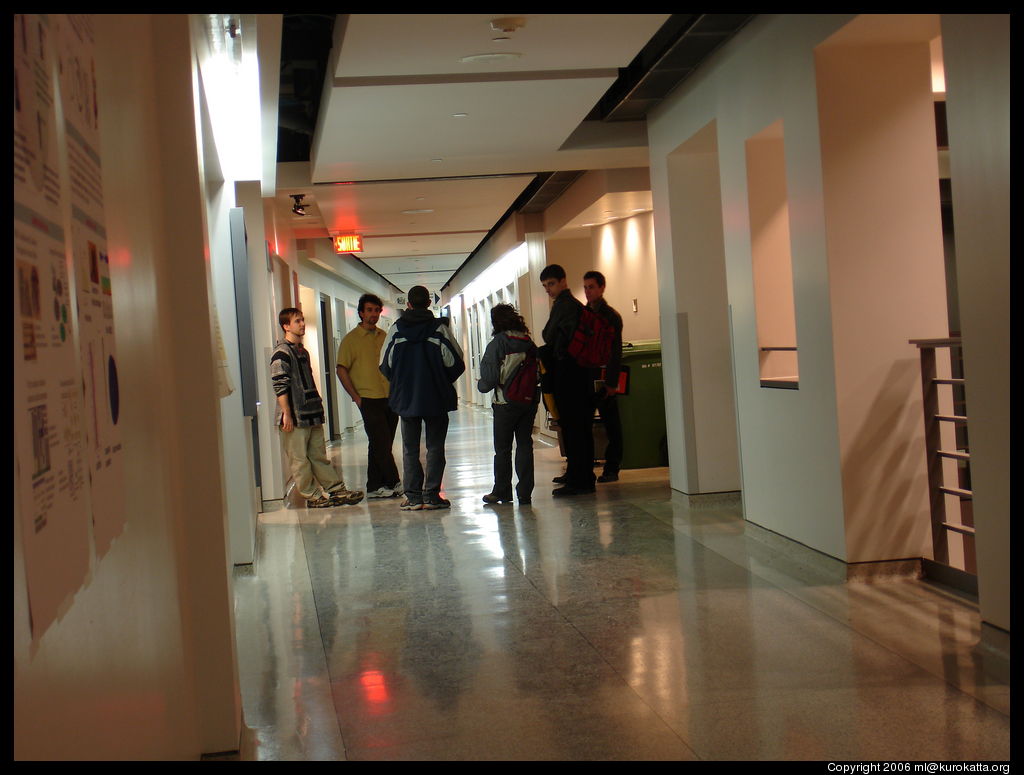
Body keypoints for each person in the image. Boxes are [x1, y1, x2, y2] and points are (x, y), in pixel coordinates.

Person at [379, 285, 465, 511]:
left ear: (407, 304)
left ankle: (414, 497)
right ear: (429, 303)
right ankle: (432, 495)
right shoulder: (439, 329)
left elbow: (384, 364)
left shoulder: (396, 330)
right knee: (435, 447)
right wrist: (440, 379)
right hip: (436, 397)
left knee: (409, 448)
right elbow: (456, 362)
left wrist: (400, 382)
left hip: (406, 398)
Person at [271, 307, 363, 508]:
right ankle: (312, 495)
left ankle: (336, 490)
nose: (302, 324)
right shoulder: (282, 353)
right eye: (297, 321)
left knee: (318, 456)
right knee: (300, 460)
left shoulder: (302, 351)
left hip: (311, 413)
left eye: (303, 320)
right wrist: (286, 413)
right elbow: (280, 384)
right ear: (286, 326)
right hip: (295, 416)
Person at [336, 293, 402, 498]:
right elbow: (341, 369)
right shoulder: (351, 340)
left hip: (390, 397)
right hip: (368, 399)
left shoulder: (385, 336)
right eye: (369, 310)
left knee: (381, 443)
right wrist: (356, 397)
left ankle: (374, 486)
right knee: (381, 442)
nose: (373, 314)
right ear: (361, 313)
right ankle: (395, 481)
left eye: (377, 311)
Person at [539, 264, 595, 496]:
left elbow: (548, 334)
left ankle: (580, 479)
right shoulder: (574, 306)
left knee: (574, 427)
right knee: (577, 427)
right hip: (579, 374)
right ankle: (578, 473)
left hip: (570, 374)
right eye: (545, 286)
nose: (548, 290)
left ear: (563, 281)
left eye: (551, 284)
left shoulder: (565, 305)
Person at [476, 303, 538, 505]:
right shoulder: (528, 342)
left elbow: (489, 378)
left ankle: (502, 490)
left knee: (503, 449)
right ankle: (525, 493)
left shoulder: (498, 344)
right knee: (524, 445)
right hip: (528, 402)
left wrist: (481, 385)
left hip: (504, 403)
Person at [583, 270, 624, 482]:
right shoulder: (584, 314)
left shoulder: (611, 316)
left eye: (591, 287)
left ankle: (612, 467)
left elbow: (616, 351)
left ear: (601, 288)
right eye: (586, 287)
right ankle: (583, 466)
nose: (588, 291)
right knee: (583, 424)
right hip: (587, 375)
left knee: (611, 424)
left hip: (604, 375)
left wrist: (611, 382)